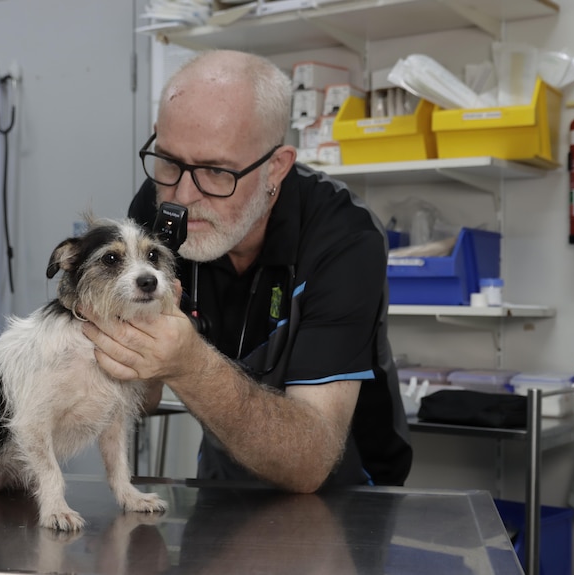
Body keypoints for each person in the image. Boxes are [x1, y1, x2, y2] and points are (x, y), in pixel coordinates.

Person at [81, 49, 411, 491]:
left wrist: (189, 365)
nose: (181, 196)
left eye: (216, 171)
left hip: (347, 494)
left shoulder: (343, 238)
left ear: (276, 167)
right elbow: (142, 392)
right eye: (169, 161)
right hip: (225, 475)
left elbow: (310, 461)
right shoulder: (156, 209)